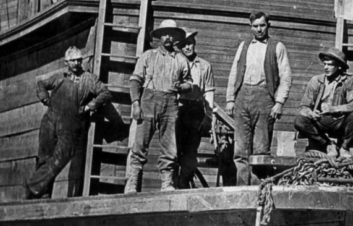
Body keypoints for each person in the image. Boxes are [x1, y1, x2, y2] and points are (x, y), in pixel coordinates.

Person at [24, 46, 111, 200]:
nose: (77, 63)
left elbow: (105, 93)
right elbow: (41, 84)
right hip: (50, 120)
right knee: (44, 158)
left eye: (79, 60)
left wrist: (89, 106)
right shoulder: (59, 77)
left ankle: (32, 185)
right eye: (73, 60)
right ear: (66, 62)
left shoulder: (88, 79)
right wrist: (45, 99)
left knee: (61, 158)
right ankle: (43, 194)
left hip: (71, 125)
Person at [126, 19, 193, 193]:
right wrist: (135, 103)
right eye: (165, 34)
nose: (168, 37)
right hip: (148, 101)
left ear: (176, 37)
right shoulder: (148, 56)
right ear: (159, 36)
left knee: (170, 147)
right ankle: (132, 182)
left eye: (172, 34)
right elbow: (135, 81)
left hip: (170, 104)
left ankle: (167, 183)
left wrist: (181, 87)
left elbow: (189, 84)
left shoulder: (181, 59)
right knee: (140, 144)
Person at [225, 11, 292, 186]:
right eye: (255, 26)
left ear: (268, 25)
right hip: (242, 96)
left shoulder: (277, 47)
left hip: (264, 98)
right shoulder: (244, 45)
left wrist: (279, 102)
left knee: (261, 149)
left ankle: (257, 188)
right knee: (240, 149)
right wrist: (230, 99)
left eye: (262, 25)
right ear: (250, 27)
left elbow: (286, 77)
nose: (259, 29)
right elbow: (234, 72)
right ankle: (242, 188)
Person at [293, 47, 353, 159]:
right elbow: (304, 106)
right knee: (299, 120)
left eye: (330, 65)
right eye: (325, 64)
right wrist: (310, 113)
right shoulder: (316, 80)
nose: (326, 67)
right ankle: (328, 145)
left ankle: (344, 148)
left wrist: (334, 109)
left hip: (340, 121)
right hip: (320, 120)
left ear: (339, 66)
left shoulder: (348, 81)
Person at [174, 30, 215, 189]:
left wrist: (208, 117)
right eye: (183, 45)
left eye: (189, 43)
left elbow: (208, 93)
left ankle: (184, 185)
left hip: (196, 111)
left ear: (194, 43)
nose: (187, 47)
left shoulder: (205, 66)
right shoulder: (175, 63)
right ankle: (172, 185)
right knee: (174, 150)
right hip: (178, 110)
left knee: (191, 151)